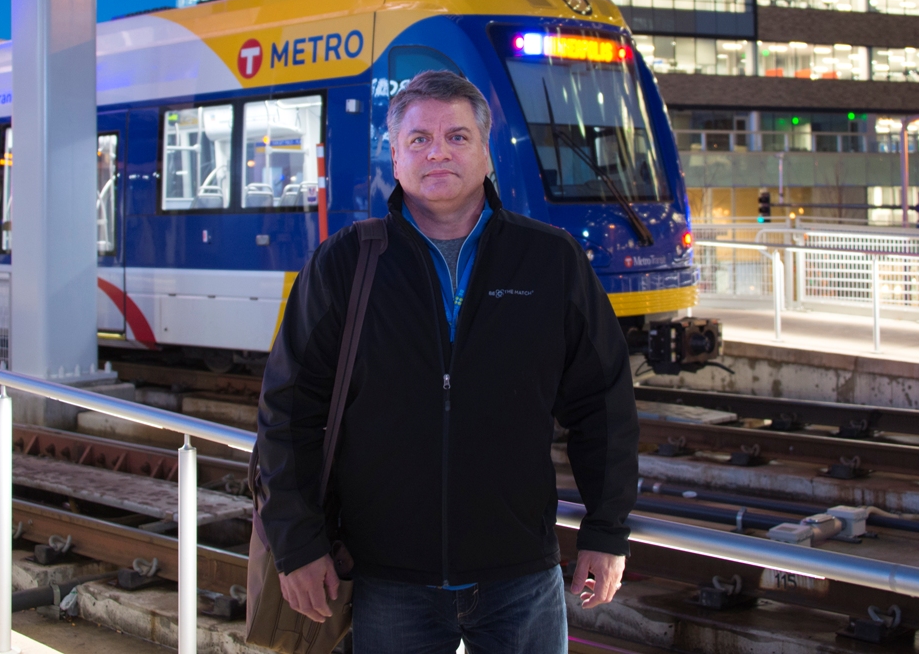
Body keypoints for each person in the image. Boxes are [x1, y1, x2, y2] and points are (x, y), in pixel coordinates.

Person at [257, 70, 639, 654]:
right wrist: (298, 544)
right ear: (395, 156)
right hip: (387, 577)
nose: (438, 152)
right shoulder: (346, 264)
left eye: (457, 137)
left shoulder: (550, 259)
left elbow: (604, 402)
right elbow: (288, 411)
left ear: (486, 152)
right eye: (419, 139)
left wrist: (607, 530)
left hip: (521, 574)